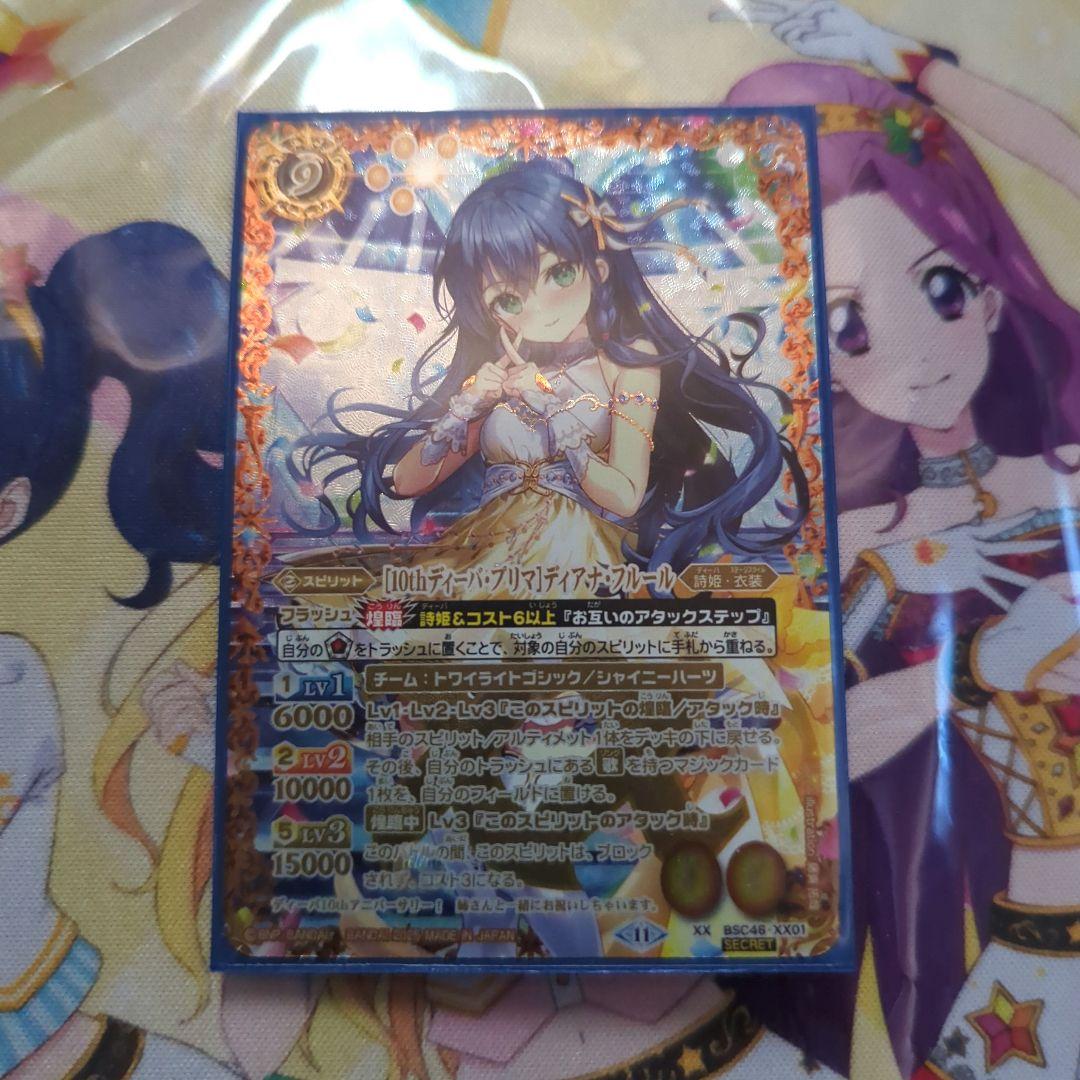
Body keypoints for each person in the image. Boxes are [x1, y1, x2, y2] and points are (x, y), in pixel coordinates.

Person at [724, 3, 1080, 1075]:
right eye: (849, 324)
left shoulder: (1064, 475)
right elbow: (795, 760)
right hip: (1035, 961)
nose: (917, 355)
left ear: (989, 283)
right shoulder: (846, 544)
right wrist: (953, 662)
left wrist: (906, 66)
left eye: (943, 286)